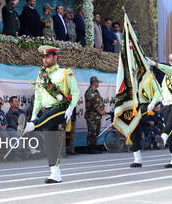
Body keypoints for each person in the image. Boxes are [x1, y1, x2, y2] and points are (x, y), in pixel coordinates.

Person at [17, 46, 79, 184]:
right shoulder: (41, 75)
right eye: (43, 57)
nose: (44, 59)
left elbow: (75, 92)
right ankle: (55, 174)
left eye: (47, 57)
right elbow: (38, 98)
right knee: (50, 143)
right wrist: (34, 115)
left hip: (62, 109)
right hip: (47, 112)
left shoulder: (65, 72)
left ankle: (29, 127)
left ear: (55, 57)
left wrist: (70, 108)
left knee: (46, 119)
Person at [129, 73, 161, 168]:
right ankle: (137, 158)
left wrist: (153, 102)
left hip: (145, 105)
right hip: (134, 105)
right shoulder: (131, 77)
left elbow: (158, 91)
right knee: (134, 130)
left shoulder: (150, 77)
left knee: (136, 124)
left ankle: (162, 132)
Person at [84, 76, 106, 154]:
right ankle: (90, 148)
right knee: (92, 132)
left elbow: (99, 102)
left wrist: (102, 110)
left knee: (96, 132)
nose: (98, 83)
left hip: (97, 116)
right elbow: (94, 104)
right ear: (94, 83)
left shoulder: (96, 92)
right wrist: (101, 111)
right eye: (97, 82)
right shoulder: (90, 92)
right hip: (91, 116)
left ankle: (94, 146)